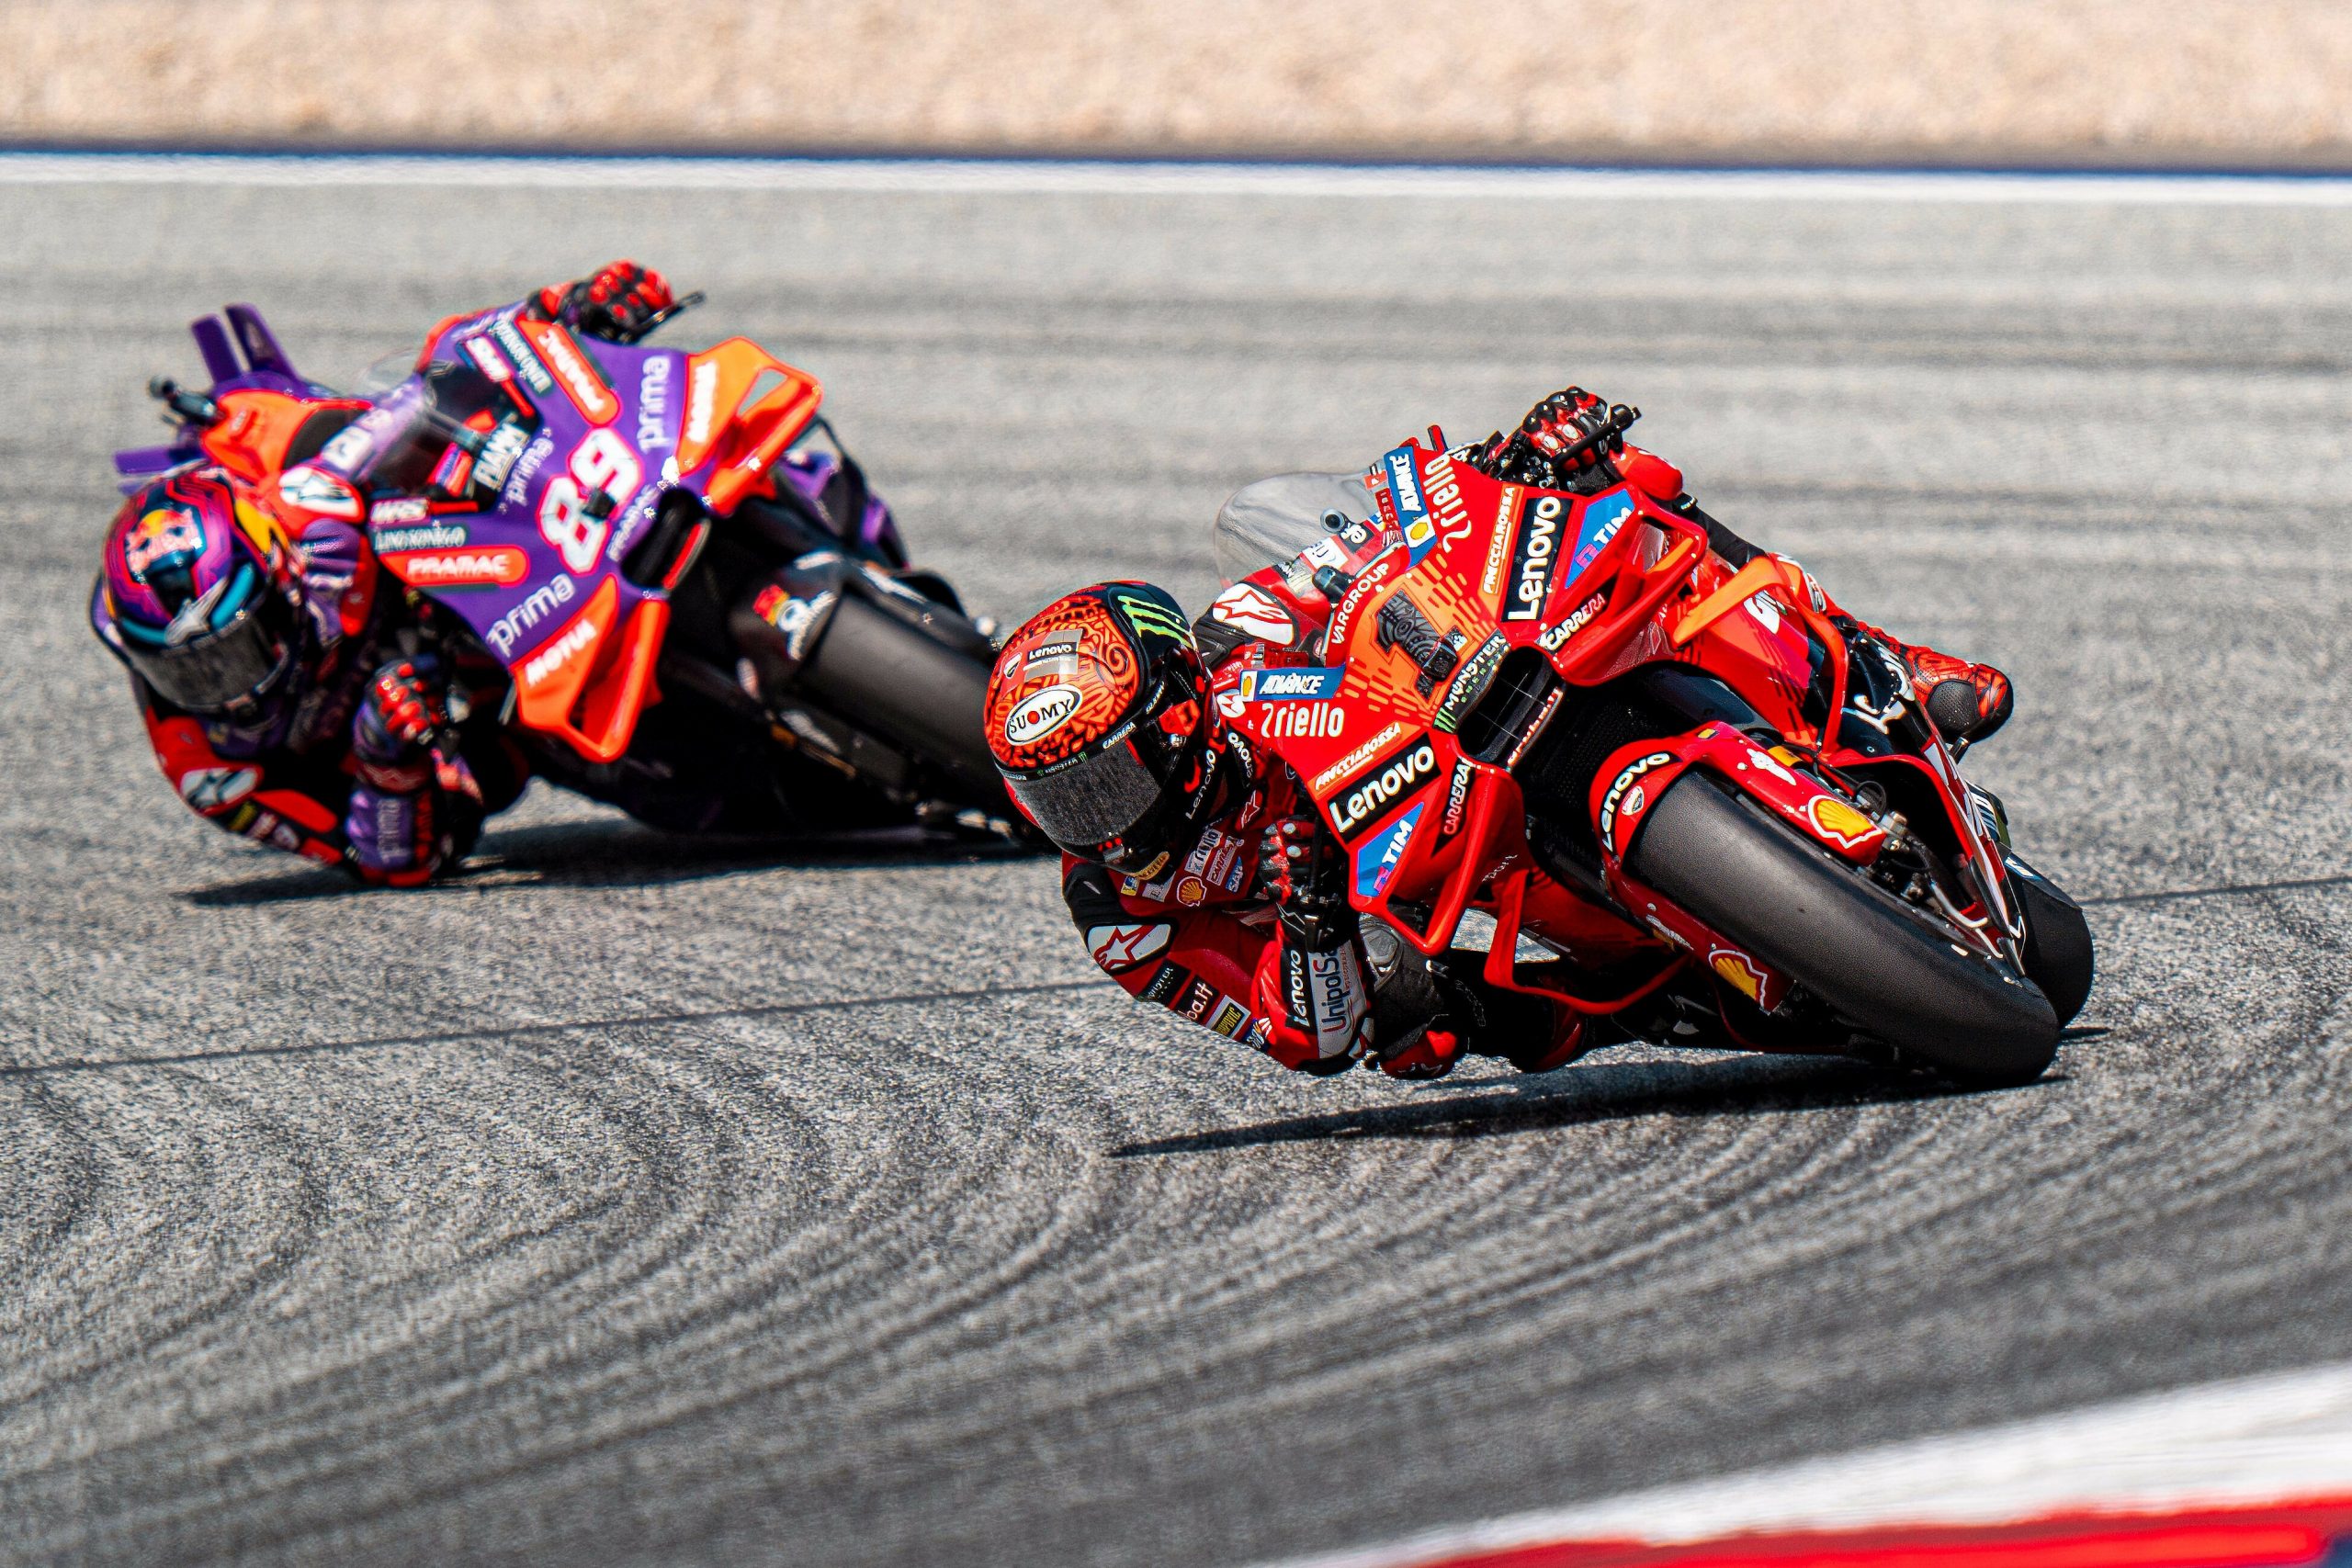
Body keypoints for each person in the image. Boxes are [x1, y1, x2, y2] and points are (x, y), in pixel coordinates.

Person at [981, 387, 2015, 1081]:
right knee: (1415, 1024)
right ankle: (1655, 999)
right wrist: (1306, 912)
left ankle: (1892, 660)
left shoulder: (1234, 642)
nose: (1091, 823)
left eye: (1101, 782)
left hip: (1451, 742)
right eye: (1059, 801)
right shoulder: (1121, 913)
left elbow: (1362, 549)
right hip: (1409, 891)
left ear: (1174, 718)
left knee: (1636, 488)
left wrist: (1506, 467)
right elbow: (1305, 1037)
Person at [89, 263, 680, 885]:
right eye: (182, 672)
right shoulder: (209, 769)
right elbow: (383, 859)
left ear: (281, 574)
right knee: (597, 778)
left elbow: (441, 379)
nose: (225, 692)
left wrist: (570, 307)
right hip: (470, 722)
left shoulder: (308, 501)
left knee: (458, 441)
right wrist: (384, 760)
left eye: (238, 650)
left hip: (466, 562)